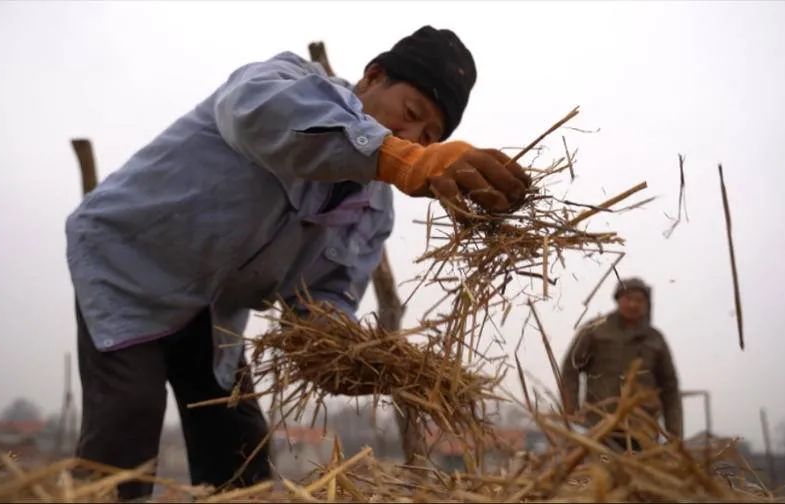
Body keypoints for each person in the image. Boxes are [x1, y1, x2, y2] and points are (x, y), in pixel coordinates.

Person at [65, 26, 530, 499]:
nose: (413, 136)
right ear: (373, 78)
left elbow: (325, 294)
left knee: (240, 448)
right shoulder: (285, 83)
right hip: (130, 265)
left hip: (212, 306)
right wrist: (402, 158)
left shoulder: (373, 208)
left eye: (430, 137)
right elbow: (260, 119)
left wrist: (343, 351)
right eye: (411, 114)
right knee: (126, 425)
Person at [561, 278, 683, 452]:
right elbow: (570, 369)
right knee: (600, 474)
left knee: (640, 476)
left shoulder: (655, 339)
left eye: (639, 300)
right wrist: (570, 409)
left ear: (647, 304)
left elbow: (670, 387)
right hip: (600, 423)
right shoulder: (595, 329)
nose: (633, 304)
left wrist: (675, 433)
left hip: (643, 428)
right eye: (628, 298)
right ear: (618, 299)